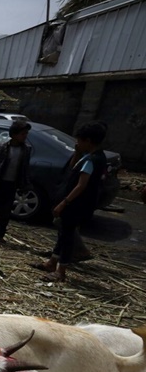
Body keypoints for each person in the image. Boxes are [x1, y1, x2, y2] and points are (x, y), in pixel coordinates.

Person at [32, 121, 109, 282]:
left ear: (88, 141)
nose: (77, 143)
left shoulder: (92, 160)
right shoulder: (92, 156)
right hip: (77, 203)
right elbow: (72, 167)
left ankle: (61, 271)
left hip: (76, 204)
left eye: (79, 140)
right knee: (63, 234)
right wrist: (77, 153)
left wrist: (64, 203)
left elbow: (81, 185)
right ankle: (52, 263)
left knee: (67, 237)